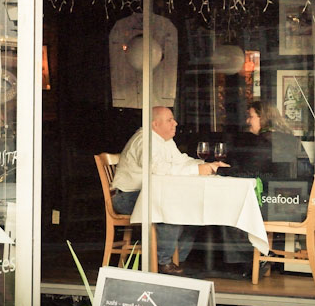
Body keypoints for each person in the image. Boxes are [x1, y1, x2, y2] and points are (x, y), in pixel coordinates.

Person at [112, 106, 229, 275]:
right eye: (169, 120)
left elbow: (180, 161)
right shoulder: (145, 141)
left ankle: (176, 259)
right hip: (127, 197)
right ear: (155, 124)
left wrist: (205, 165)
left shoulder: (164, 140)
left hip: (148, 196)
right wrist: (197, 170)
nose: (175, 123)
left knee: (193, 211)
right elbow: (158, 168)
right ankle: (163, 262)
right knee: (171, 207)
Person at [223, 99, 299, 275]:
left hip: (278, 205)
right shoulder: (288, 139)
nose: (248, 121)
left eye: (251, 117)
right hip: (295, 202)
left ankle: (253, 259)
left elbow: (248, 173)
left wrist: (219, 168)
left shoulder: (264, 142)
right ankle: (261, 255)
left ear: (263, 118)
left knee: (231, 210)